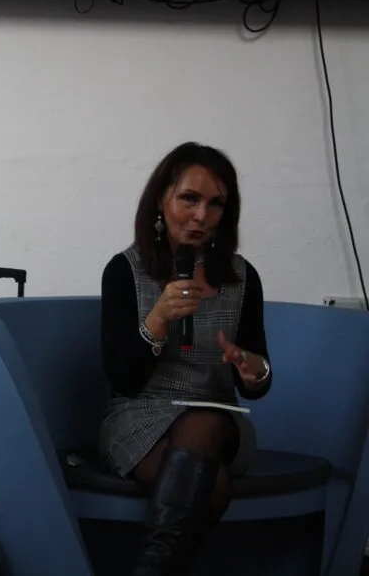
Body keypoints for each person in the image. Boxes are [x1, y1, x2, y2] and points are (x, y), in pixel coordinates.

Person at [98, 142, 273, 576]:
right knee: (209, 486)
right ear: (161, 200)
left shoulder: (242, 277)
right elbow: (123, 379)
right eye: (189, 199)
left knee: (204, 425)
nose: (201, 216)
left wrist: (254, 369)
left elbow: (258, 380)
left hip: (219, 420)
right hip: (140, 418)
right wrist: (157, 319)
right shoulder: (124, 271)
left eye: (215, 204)